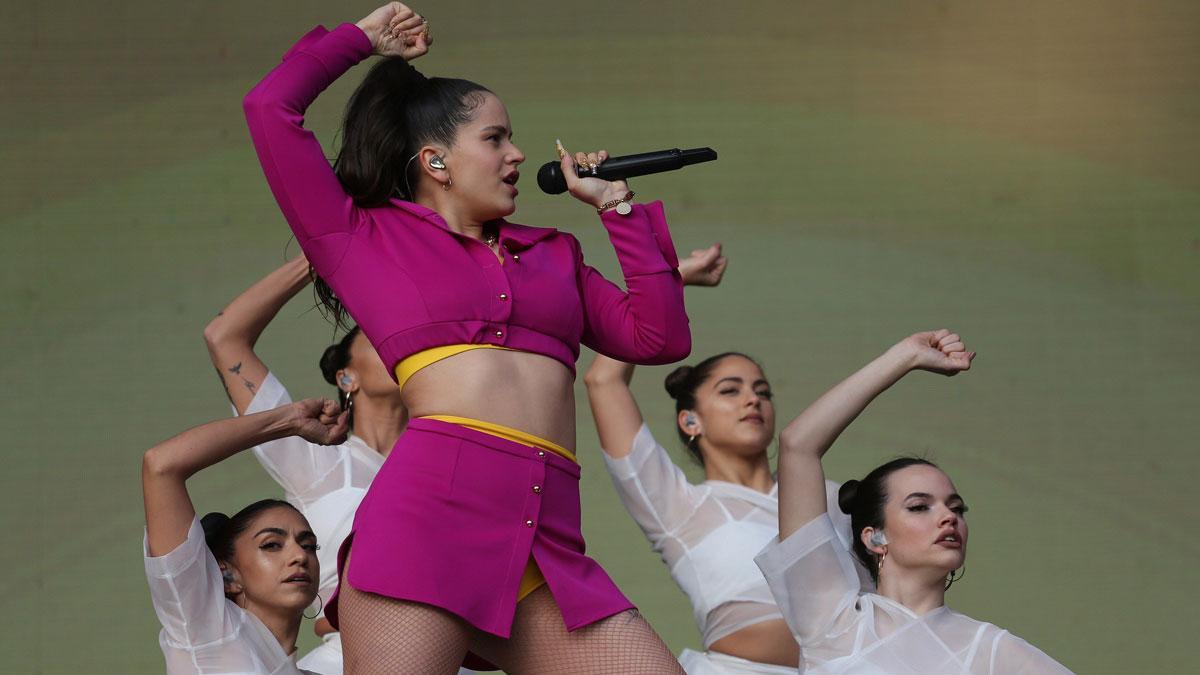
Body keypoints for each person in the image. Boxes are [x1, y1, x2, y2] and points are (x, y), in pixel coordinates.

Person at [242, 2, 691, 671]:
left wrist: (617, 208)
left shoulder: (555, 252)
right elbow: (268, 108)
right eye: (496, 138)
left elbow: (658, 337)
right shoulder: (360, 237)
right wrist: (360, 41)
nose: (518, 154)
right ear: (436, 160)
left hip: (543, 538)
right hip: (428, 525)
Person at [584, 244, 869, 675]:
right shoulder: (679, 506)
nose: (752, 399)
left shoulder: (826, 498)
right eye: (730, 390)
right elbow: (603, 379)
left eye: (763, 391)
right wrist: (672, 280)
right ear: (690, 420)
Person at [755, 331, 1073, 673]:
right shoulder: (833, 620)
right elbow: (799, 446)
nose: (948, 518)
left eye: (956, 508)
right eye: (920, 506)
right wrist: (905, 357)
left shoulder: (989, 647)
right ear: (874, 536)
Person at [204, 254, 418, 674]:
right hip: (350, 660)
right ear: (345, 377)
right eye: (383, 339)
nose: (402, 349)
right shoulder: (318, 459)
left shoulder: (447, 465)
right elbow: (224, 336)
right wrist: (323, 253)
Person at [141, 397, 348, 673]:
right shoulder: (203, 626)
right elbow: (161, 466)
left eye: (309, 545)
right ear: (228, 575)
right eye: (272, 544)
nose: (300, 556)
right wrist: (290, 421)